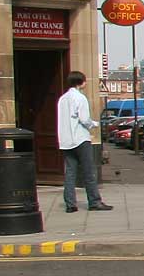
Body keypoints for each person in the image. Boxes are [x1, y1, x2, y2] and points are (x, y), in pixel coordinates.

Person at [57, 71, 112, 213]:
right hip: (80, 139)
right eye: (85, 81)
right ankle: (94, 201)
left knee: (70, 173)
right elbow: (84, 119)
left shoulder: (62, 99)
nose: (86, 83)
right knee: (89, 172)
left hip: (66, 140)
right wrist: (94, 124)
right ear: (80, 82)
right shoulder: (80, 98)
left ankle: (70, 204)